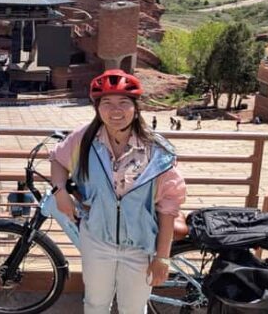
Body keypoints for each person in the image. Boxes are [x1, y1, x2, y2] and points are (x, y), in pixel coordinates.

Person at [50, 69, 186, 314]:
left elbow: (168, 207)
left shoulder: (156, 150)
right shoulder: (85, 138)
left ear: (136, 108)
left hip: (140, 246)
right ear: (97, 108)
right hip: (96, 241)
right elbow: (58, 159)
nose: (115, 111)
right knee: (95, 304)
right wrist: (60, 191)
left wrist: (162, 258)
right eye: (107, 103)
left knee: (133, 309)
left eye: (124, 103)